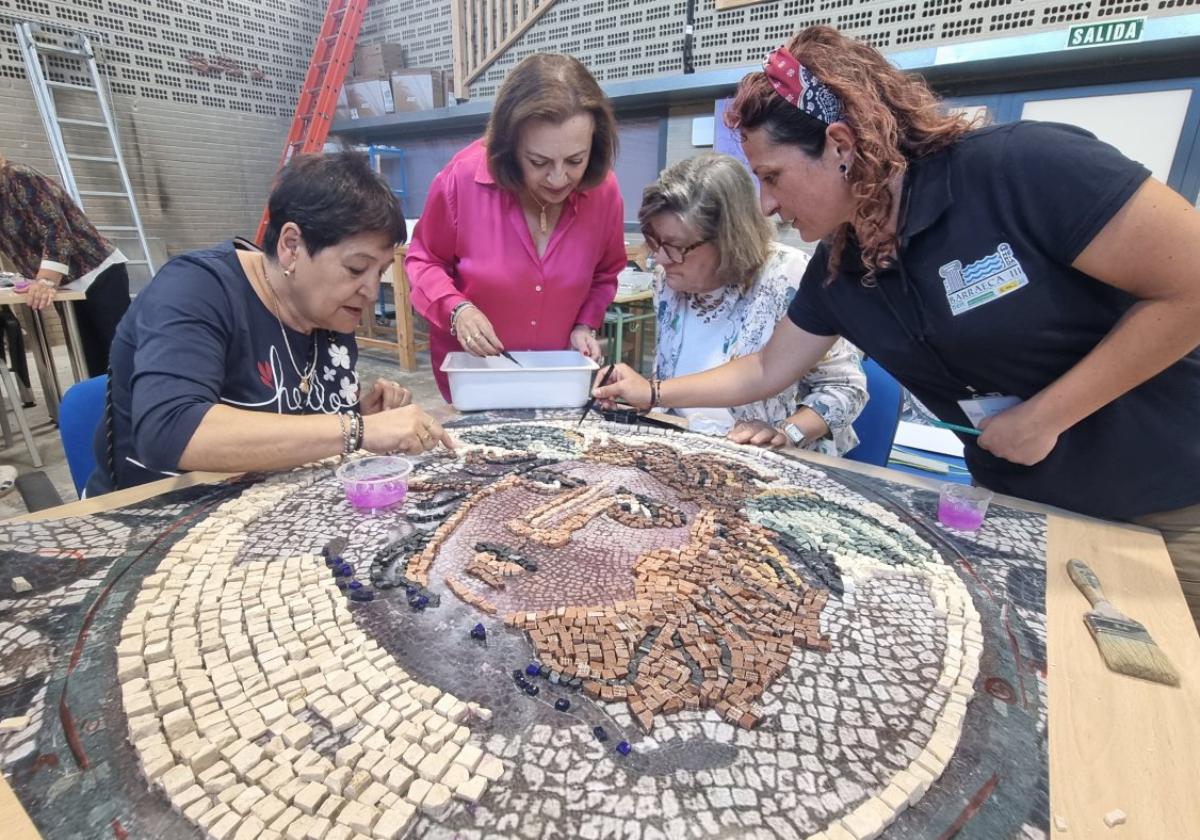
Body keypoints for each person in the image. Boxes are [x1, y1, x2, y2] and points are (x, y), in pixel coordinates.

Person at [594, 26, 1200, 626]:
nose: (768, 204)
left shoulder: (1020, 169)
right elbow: (765, 366)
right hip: (1021, 507)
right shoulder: (842, 262)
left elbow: (1190, 287)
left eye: (773, 176)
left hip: (1168, 506)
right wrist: (652, 394)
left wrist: (1046, 417)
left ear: (839, 145)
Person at [87, 151, 454, 496]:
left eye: (381, 272)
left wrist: (361, 414)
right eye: (356, 268)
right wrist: (358, 430)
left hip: (262, 511)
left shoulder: (328, 314)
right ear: (291, 245)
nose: (371, 291)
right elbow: (170, 430)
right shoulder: (195, 290)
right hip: (155, 522)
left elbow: (299, 423)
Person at [405, 53, 626, 401]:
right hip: (476, 380)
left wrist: (584, 323)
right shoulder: (461, 180)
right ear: (509, 147)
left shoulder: (604, 193)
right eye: (539, 162)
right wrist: (457, 310)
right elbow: (423, 261)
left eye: (575, 161)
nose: (558, 179)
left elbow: (606, 272)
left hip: (557, 380)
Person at [641, 152, 866, 454]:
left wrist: (786, 433)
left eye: (676, 246)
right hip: (688, 448)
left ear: (728, 239)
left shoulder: (791, 278)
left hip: (772, 463)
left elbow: (845, 391)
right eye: (655, 241)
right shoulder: (668, 280)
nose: (660, 257)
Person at [0, 152, 131, 377]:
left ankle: (145, 407)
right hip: (65, 286)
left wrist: (45, 280)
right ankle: (105, 409)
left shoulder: (18, 177)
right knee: (90, 359)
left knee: (121, 352)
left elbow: (56, 229)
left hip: (95, 270)